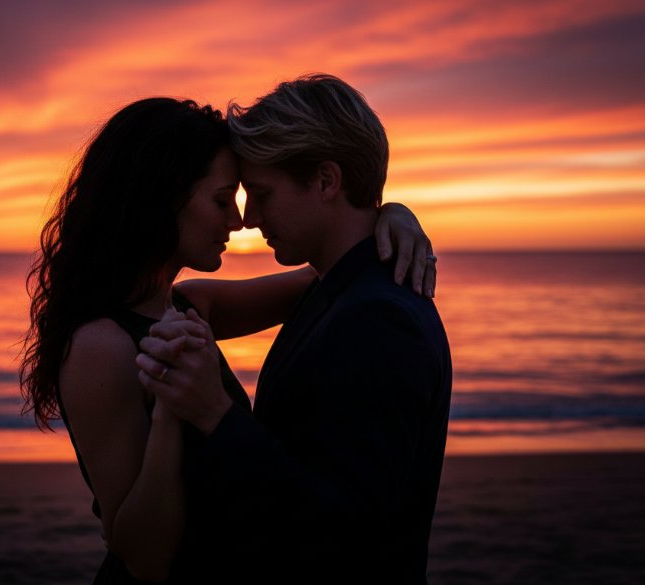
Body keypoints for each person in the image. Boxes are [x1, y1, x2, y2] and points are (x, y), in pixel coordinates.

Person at [20, 96, 436, 584]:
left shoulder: (190, 306)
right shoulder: (100, 347)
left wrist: (391, 214)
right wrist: (173, 410)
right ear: (160, 199)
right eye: (222, 200)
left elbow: (335, 273)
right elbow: (145, 558)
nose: (239, 221)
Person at [136, 74, 452, 584]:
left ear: (326, 181)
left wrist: (214, 413)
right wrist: (391, 212)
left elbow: (350, 530)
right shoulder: (335, 288)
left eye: (261, 193)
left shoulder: (380, 319)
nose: (250, 218)